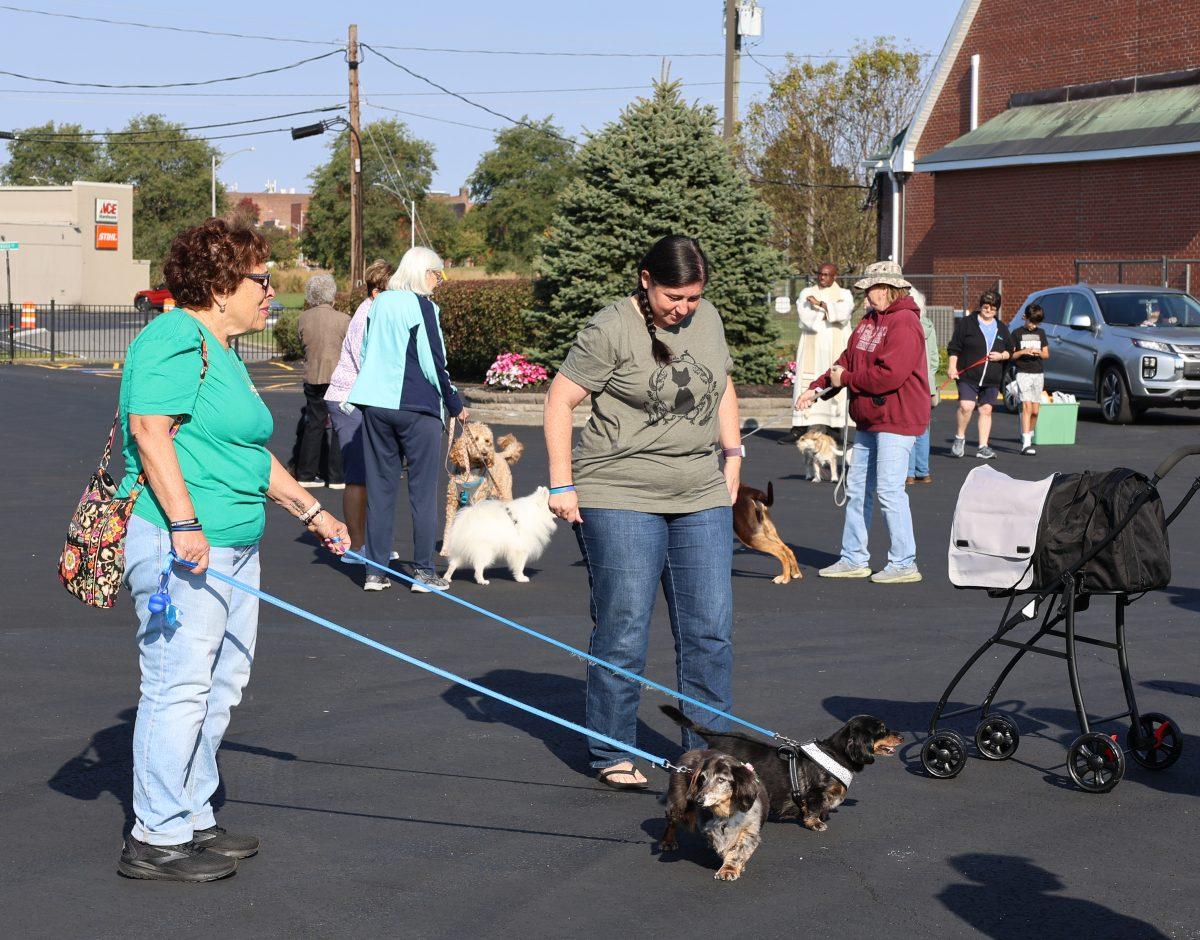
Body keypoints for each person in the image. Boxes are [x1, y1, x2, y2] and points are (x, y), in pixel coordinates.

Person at [116, 219, 348, 882]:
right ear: (220, 286)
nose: (272, 292)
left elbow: (245, 451)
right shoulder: (173, 337)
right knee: (178, 685)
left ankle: (191, 813)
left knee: (222, 684)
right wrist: (185, 524)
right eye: (261, 280)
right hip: (184, 544)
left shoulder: (222, 350)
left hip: (236, 543)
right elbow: (149, 431)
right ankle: (156, 836)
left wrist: (312, 511)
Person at [543, 235, 741, 789]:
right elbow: (559, 400)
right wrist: (561, 482)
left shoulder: (708, 320)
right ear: (646, 280)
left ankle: (708, 755)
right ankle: (612, 748)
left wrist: (733, 454)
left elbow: (722, 384)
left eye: (693, 297)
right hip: (618, 491)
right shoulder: (611, 328)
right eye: (673, 297)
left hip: (699, 491)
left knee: (710, 630)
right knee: (625, 625)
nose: (683, 308)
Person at [796, 260, 929, 584]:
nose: (866, 296)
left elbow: (889, 375)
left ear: (888, 289)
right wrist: (817, 388)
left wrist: (846, 380)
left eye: (871, 290)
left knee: (889, 491)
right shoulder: (869, 321)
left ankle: (904, 562)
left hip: (897, 417)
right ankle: (853, 558)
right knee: (857, 490)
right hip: (870, 418)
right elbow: (847, 360)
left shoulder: (905, 324)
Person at [348, 246, 467, 594]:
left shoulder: (380, 302)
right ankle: (424, 573)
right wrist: (454, 402)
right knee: (422, 492)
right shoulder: (423, 306)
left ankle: (375, 572)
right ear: (423, 273)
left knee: (380, 489)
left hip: (376, 405)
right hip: (416, 407)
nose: (439, 281)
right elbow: (434, 361)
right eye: (437, 274)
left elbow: (366, 350)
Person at [324, 259, 396, 560]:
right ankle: (355, 547)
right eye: (394, 291)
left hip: (358, 399)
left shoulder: (375, 312)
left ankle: (370, 545)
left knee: (368, 476)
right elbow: (367, 361)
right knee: (357, 476)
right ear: (377, 292)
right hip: (348, 400)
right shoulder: (367, 315)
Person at [781, 262, 854, 443]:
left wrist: (820, 305)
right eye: (820, 274)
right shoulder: (807, 293)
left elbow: (844, 314)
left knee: (834, 382)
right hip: (811, 348)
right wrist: (829, 309)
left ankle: (834, 429)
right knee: (806, 383)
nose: (822, 277)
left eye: (827, 274)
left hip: (835, 350)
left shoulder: (844, 294)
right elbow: (806, 318)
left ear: (834, 276)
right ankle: (799, 428)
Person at [296, 274, 349, 489]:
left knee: (313, 425)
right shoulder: (343, 319)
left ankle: (306, 475)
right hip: (337, 378)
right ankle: (337, 477)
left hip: (312, 375)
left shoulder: (303, 319)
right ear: (332, 295)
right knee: (339, 425)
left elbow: (302, 344)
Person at [947, 290, 1012, 460]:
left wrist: (1001, 356)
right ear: (981, 305)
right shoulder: (967, 323)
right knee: (966, 406)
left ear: (997, 309)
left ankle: (983, 447)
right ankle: (959, 438)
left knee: (986, 410)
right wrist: (952, 367)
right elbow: (954, 347)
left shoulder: (1001, 328)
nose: (988, 310)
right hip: (968, 375)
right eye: (985, 306)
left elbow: (1010, 351)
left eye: (993, 307)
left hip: (991, 377)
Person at [907, 288, 939, 484]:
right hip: (926, 383)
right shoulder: (927, 325)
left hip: (908, 382)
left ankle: (909, 473)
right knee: (922, 427)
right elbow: (934, 358)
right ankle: (923, 470)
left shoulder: (903, 325)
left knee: (906, 427)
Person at [1010, 302, 1050, 455]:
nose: (1033, 325)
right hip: (1023, 373)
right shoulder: (1017, 333)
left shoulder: (1041, 333)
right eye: (1031, 321)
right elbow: (1011, 355)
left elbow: (1046, 354)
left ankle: (1028, 434)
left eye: (1036, 323)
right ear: (1025, 318)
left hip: (1038, 373)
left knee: (1035, 411)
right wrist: (1023, 351)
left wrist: (1037, 352)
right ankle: (1026, 444)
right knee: (1027, 406)